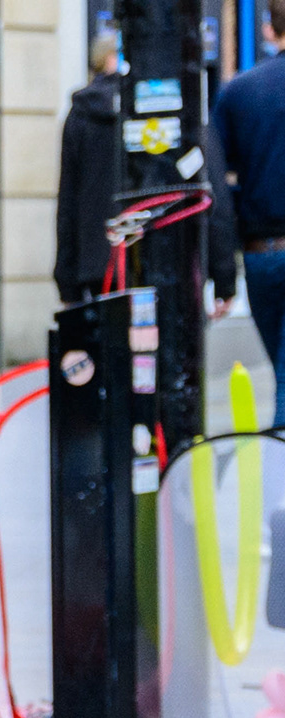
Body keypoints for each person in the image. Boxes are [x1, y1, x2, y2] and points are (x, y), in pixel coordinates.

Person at [57, 35, 236, 317]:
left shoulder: (81, 115)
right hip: (172, 263)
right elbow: (212, 197)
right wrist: (224, 278)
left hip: (101, 266)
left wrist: (66, 283)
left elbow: (68, 202)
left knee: (111, 354)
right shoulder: (178, 107)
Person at [218, 0, 285, 426]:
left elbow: (217, 183)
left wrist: (222, 270)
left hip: (262, 253)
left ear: (267, 30)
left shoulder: (240, 93)